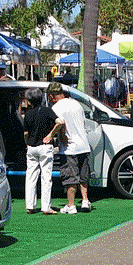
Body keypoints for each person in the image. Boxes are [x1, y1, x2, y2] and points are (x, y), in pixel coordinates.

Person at [47, 82, 91, 213]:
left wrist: (57, 135)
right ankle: (85, 200)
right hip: (83, 145)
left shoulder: (56, 107)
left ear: (52, 96)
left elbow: (60, 122)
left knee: (70, 177)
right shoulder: (76, 103)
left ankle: (71, 205)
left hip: (69, 148)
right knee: (83, 175)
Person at [21, 87, 57, 214]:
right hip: (45, 146)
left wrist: (27, 143)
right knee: (46, 177)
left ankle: (30, 206)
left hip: (32, 147)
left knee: (31, 177)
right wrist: (51, 135)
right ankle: (46, 207)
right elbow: (59, 122)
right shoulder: (47, 111)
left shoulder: (28, 114)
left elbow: (26, 133)